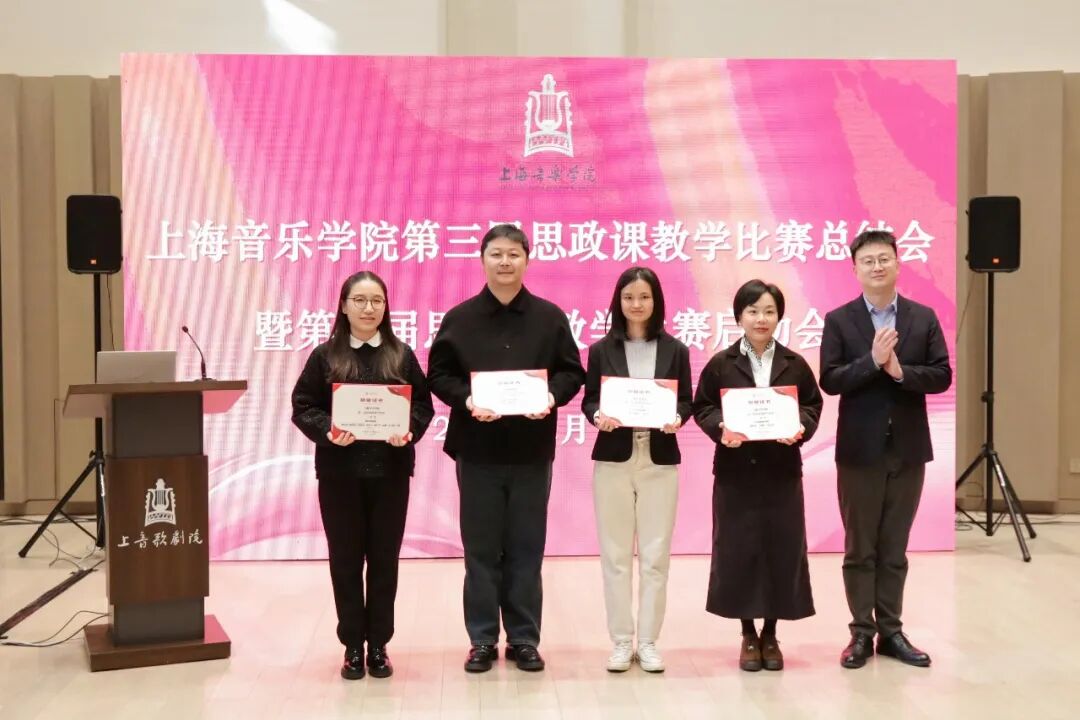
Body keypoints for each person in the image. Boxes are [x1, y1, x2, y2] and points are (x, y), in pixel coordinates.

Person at [426, 224, 586, 673]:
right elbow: (438, 375)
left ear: (527, 260)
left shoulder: (550, 317)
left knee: (526, 548)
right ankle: (481, 639)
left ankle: (523, 639)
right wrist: (468, 400)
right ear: (482, 259)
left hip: (531, 451)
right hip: (477, 451)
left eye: (514, 254)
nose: (504, 262)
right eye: (496, 254)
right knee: (480, 550)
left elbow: (572, 372)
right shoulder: (459, 318)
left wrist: (551, 396)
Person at [291, 270, 434, 680]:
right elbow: (303, 406)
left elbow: (422, 406)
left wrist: (408, 430)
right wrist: (329, 430)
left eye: (377, 301)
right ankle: (353, 644)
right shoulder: (325, 356)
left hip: (390, 474)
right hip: (340, 475)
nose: (369, 308)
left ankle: (379, 645)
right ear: (343, 305)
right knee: (346, 560)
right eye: (360, 300)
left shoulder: (401, 355)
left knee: (385, 560)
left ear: (386, 307)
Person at [819, 229, 952, 670]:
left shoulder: (922, 317)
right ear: (855, 269)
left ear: (897, 263)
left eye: (883, 259)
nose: (877, 266)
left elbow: (941, 376)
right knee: (860, 547)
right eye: (868, 261)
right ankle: (861, 632)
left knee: (895, 547)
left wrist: (899, 372)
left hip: (908, 449)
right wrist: (871, 363)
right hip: (859, 451)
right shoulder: (840, 320)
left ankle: (892, 632)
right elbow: (830, 380)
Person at [692, 279, 822, 672]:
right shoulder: (721, 363)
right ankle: (748, 633)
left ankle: (771, 632)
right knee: (740, 550)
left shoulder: (795, 363)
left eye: (768, 311)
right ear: (739, 316)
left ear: (779, 316)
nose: (761, 318)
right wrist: (721, 428)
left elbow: (812, 406)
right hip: (736, 473)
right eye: (753, 311)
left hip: (782, 472)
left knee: (782, 549)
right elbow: (703, 407)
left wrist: (800, 427)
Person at [581, 267, 692, 673]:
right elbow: (590, 399)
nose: (637, 304)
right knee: (615, 555)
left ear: (656, 301)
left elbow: (686, 401)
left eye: (644, 297)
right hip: (614, 457)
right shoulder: (600, 350)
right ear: (618, 302)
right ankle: (621, 640)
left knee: (655, 555)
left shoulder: (676, 350)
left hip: (658, 457)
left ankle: (647, 641)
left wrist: (677, 418)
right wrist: (598, 416)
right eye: (629, 297)